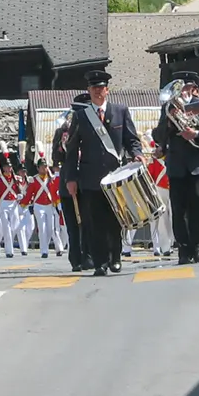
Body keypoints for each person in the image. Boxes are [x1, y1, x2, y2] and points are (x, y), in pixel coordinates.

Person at [63, 70, 143, 276]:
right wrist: (70, 178)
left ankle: (114, 258)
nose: (98, 91)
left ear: (107, 90)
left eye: (101, 88)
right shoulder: (81, 116)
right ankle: (99, 262)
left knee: (115, 220)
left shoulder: (120, 111)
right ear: (88, 91)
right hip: (90, 178)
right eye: (94, 88)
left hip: (116, 177)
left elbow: (131, 139)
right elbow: (71, 150)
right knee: (94, 222)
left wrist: (137, 154)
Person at [152, 70, 199, 265]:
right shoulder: (168, 108)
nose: (182, 91)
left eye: (186, 87)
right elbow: (159, 136)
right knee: (178, 208)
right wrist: (168, 122)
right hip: (176, 165)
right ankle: (183, 249)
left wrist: (196, 135)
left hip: (198, 165)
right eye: (179, 87)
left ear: (194, 89)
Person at [52, 101, 87, 270]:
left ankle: (89, 256)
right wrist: (61, 146)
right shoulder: (62, 131)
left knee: (88, 223)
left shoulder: (90, 130)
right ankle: (76, 259)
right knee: (73, 225)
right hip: (68, 183)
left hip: (87, 182)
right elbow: (55, 159)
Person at [24, 157, 64, 259]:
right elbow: (29, 194)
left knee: (51, 229)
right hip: (38, 205)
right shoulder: (34, 179)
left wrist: (57, 202)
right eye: (42, 166)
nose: (44, 168)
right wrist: (23, 203)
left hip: (49, 205)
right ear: (38, 168)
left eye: (45, 166)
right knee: (42, 228)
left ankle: (58, 248)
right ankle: (44, 251)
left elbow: (55, 191)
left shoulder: (52, 178)